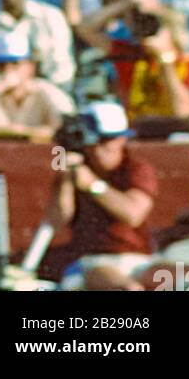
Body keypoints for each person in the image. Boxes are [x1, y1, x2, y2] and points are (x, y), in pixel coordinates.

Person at [44, 101, 158, 291]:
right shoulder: (76, 169)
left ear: (122, 140)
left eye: (106, 141)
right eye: (93, 141)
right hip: (93, 261)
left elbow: (133, 214)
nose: (98, 149)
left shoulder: (136, 169)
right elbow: (57, 221)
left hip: (139, 260)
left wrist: (93, 185)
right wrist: (65, 180)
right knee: (128, 289)